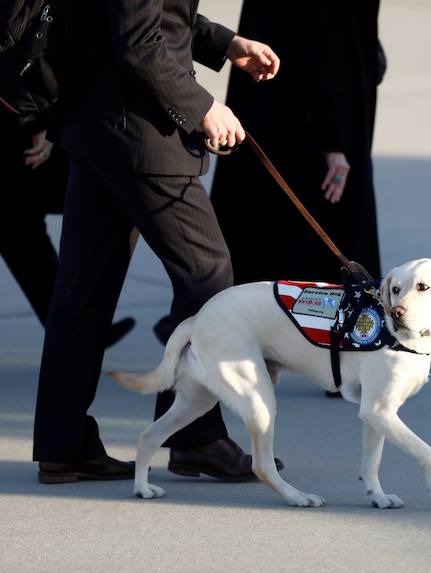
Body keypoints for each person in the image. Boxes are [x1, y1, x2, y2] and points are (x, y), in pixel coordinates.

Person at [32, 0, 282, 483]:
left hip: (98, 127)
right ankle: (195, 437)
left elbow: (146, 16)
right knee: (208, 279)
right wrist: (202, 106)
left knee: (81, 293)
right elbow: (137, 39)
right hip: (141, 135)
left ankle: (63, 446)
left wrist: (225, 43)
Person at [210, 0, 385, 287]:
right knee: (305, 251)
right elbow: (316, 41)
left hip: (283, 104)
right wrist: (333, 141)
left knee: (261, 239)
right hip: (309, 122)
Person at [0, 112, 135, 346]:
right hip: (24, 116)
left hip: (27, 115)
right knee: (18, 221)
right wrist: (39, 123)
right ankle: (74, 326)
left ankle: (74, 326)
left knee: (18, 222)